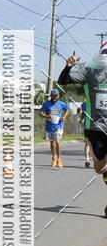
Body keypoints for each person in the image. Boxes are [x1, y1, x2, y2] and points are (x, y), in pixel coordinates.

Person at [58, 42, 107, 216]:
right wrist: (68, 67)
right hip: (95, 127)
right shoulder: (89, 71)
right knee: (98, 168)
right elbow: (63, 81)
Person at [39, 88, 69, 167]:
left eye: (56, 95)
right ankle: (54, 157)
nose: (55, 97)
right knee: (52, 143)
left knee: (57, 141)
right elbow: (41, 113)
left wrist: (64, 117)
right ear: (51, 96)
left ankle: (59, 159)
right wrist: (48, 116)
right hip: (50, 126)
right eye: (53, 95)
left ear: (58, 96)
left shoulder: (61, 103)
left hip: (59, 125)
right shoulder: (46, 104)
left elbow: (67, 110)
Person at [79, 100, 92, 167]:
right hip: (97, 126)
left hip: (87, 126)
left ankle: (87, 159)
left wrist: (80, 120)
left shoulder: (84, 104)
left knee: (88, 143)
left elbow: (83, 114)